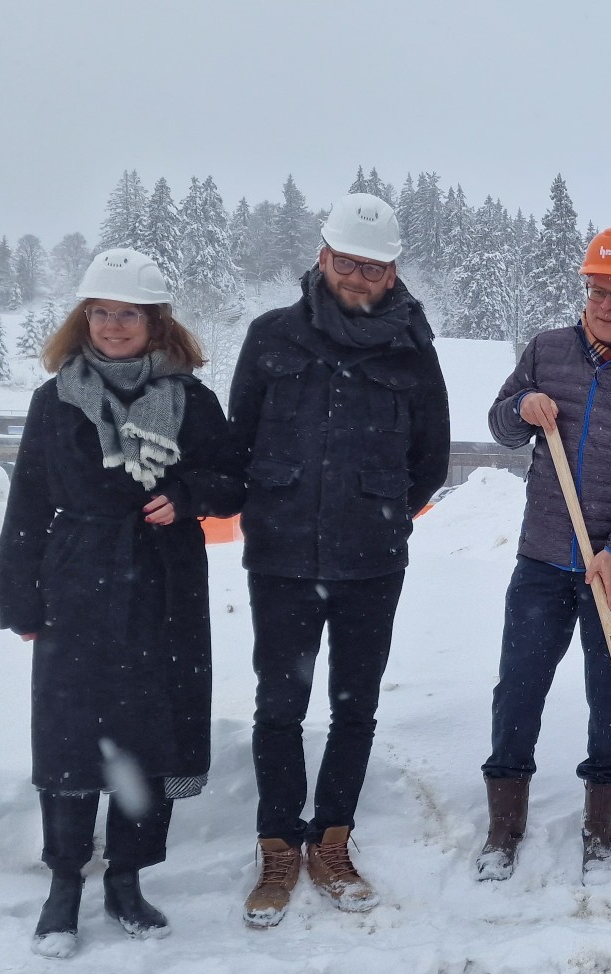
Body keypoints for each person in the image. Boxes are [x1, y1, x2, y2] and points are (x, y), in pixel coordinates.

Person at [0, 248, 245, 958]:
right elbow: (27, 504)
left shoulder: (192, 401)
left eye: (126, 314)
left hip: (164, 582)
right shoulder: (55, 399)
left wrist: (189, 496)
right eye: (100, 312)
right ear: (83, 318)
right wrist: (20, 595)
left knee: (150, 736)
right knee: (71, 736)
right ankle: (65, 885)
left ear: (155, 321)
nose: (111, 325)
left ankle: (127, 880)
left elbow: (232, 483)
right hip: (76, 580)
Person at [227, 194, 450, 927]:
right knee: (280, 707)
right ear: (323, 258)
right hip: (283, 558)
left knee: (356, 708)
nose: (359, 278)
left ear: (393, 273)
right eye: (348, 263)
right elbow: (240, 439)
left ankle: (332, 838)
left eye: (374, 268)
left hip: (371, 561)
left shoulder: (413, 352)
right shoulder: (270, 338)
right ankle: (278, 844)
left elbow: (429, 461)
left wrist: (375, 508)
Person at [475, 226, 611, 883]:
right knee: (518, 688)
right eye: (598, 292)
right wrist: (521, 405)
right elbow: (499, 424)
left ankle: (600, 828)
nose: (606, 306)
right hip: (544, 559)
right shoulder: (546, 352)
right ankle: (502, 827)